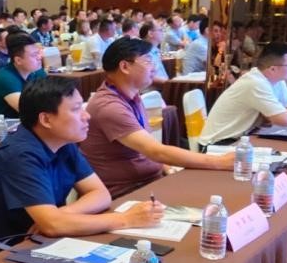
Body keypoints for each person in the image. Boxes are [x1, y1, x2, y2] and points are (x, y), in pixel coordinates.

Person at [0, 76, 163, 263]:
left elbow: (100, 194)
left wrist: (60, 216)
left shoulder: (63, 143)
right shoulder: (20, 154)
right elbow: (53, 227)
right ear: (46, 119)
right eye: (76, 109)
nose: (87, 116)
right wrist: (126, 219)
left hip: (34, 243)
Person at [79, 39, 234, 197]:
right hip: (127, 193)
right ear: (125, 66)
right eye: (147, 61)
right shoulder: (109, 107)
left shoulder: (131, 96)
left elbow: (148, 151)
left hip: (150, 182)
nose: (154, 68)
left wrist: (165, 166)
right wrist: (219, 162)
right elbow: (156, 152)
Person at [198, 42, 287, 147]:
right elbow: (284, 120)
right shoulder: (255, 83)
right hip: (219, 144)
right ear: (273, 69)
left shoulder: (277, 80)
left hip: (240, 139)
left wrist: (279, 115)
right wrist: (280, 115)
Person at [0, 33, 46, 125]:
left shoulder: (37, 72)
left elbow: (51, 97)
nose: (40, 57)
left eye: (38, 53)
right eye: (34, 55)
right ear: (18, 60)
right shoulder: (5, 77)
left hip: (18, 126)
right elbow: (27, 111)